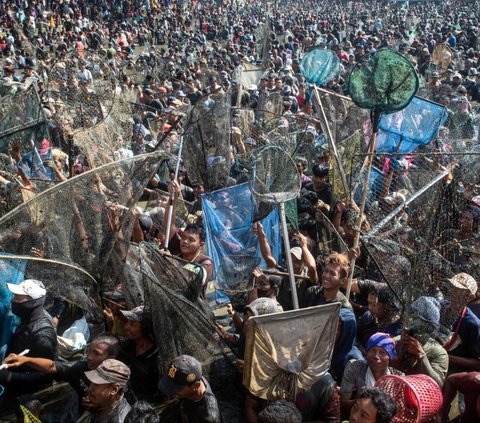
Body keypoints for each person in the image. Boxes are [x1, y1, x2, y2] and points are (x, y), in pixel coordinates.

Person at [3, 334, 119, 405]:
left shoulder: (117, 382)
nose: (89, 357)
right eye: (89, 350)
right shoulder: (81, 368)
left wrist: (100, 406)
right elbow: (53, 366)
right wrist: (25, 360)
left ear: (111, 358)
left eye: (96, 354)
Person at [0, 280, 57, 395]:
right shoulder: (29, 318)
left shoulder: (42, 335)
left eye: (18, 298)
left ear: (34, 302)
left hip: (27, 392)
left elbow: (47, 374)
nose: (12, 301)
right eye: (14, 296)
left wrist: (10, 377)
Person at [341, 333, 403, 415]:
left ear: (390, 357)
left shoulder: (398, 378)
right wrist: (375, 403)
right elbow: (343, 403)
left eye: (382, 352)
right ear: (366, 352)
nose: (376, 356)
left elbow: (399, 411)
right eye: (372, 350)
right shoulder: (355, 367)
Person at [393, 296, 449, 386]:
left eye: (415, 319)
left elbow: (437, 384)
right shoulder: (396, 341)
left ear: (428, 327)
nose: (409, 323)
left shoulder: (437, 352)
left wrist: (421, 355)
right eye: (410, 317)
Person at [158, 355, 221, 423]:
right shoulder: (196, 379)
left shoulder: (208, 417)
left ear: (196, 385)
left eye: (178, 389)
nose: (175, 393)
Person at [118, 306, 159, 401]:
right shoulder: (129, 344)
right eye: (127, 322)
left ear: (145, 328)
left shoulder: (156, 359)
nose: (126, 327)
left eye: (132, 324)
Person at [442, 273, 480, 371]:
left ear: (470, 297)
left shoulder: (472, 324)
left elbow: (477, 363)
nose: (452, 291)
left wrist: (444, 356)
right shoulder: (441, 307)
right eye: (452, 287)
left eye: (459, 290)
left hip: (453, 374)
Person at [76, 359, 132, 423]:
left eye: (96, 384)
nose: (90, 388)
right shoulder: (104, 402)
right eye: (92, 382)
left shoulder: (119, 419)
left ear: (114, 390)